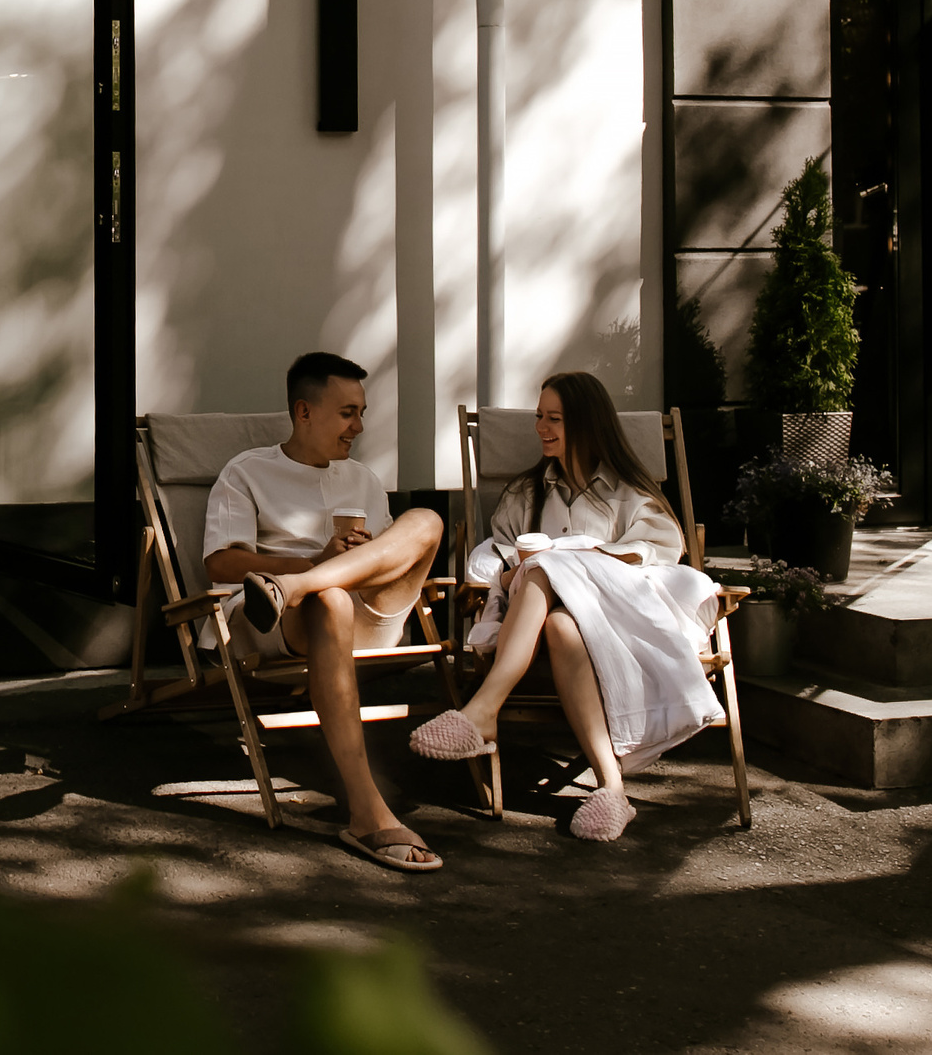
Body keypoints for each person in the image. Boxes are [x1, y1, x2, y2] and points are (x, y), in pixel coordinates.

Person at [408, 370, 724, 843]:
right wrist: (510, 573)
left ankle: (482, 711)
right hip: (544, 626)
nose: (541, 428)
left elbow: (661, 553)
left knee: (548, 567)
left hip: (615, 621)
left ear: (587, 423)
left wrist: (570, 559)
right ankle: (612, 788)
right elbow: (494, 555)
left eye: (554, 418)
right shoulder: (525, 495)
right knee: (557, 619)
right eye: (539, 416)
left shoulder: (629, 495)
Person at [204, 352, 447, 873]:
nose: (359, 426)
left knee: (426, 518)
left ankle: (297, 586)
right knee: (329, 599)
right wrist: (312, 561)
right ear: (304, 412)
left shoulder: (362, 478)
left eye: (361, 412)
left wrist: (349, 562)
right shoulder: (247, 472)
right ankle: (366, 811)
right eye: (347, 413)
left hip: (364, 609)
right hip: (280, 624)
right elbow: (221, 562)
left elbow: (392, 555)